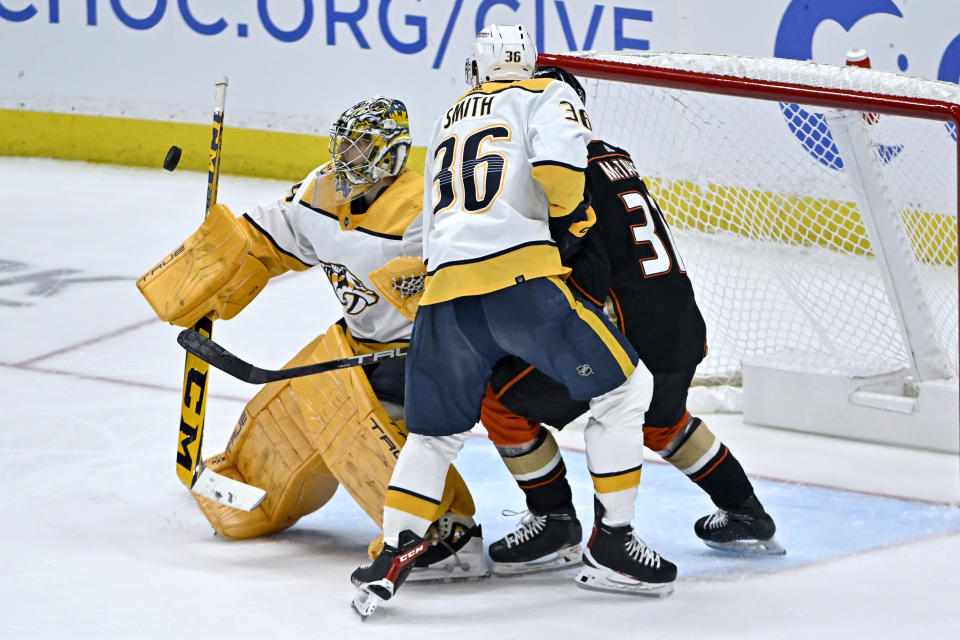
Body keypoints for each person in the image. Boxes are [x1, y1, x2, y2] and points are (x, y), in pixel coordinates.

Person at [350, 25, 676, 619]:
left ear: (477, 69)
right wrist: (572, 225)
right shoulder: (545, 94)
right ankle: (613, 544)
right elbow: (559, 177)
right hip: (522, 286)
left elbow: (429, 231)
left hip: (444, 297)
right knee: (629, 390)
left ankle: (393, 556)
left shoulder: (448, 117)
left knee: (431, 437)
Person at [136, 97, 488, 582]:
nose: (346, 154)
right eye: (343, 142)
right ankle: (265, 491)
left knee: (351, 424)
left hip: (422, 360)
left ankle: (447, 536)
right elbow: (264, 239)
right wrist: (216, 268)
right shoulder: (320, 191)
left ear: (391, 156)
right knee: (269, 447)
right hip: (355, 348)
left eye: (361, 146)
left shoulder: (424, 213)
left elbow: (474, 291)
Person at [480, 65, 784, 577]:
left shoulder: (557, 171)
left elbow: (581, 273)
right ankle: (747, 512)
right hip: (680, 326)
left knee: (500, 402)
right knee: (660, 421)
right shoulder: (614, 157)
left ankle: (555, 521)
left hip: (630, 332)